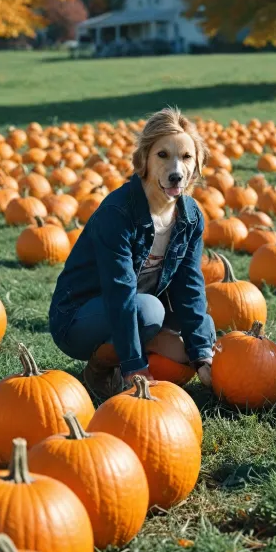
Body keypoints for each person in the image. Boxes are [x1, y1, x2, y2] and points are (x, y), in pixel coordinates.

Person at [48, 107, 216, 399]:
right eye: (163, 155)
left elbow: (189, 286)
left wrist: (201, 354)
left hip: (137, 308)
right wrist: (133, 365)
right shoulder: (118, 212)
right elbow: (119, 292)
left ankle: (148, 346)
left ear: (197, 164)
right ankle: (100, 368)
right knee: (148, 311)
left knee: (205, 329)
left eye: (186, 157)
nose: (177, 171)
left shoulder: (190, 217)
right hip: (80, 318)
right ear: (144, 162)